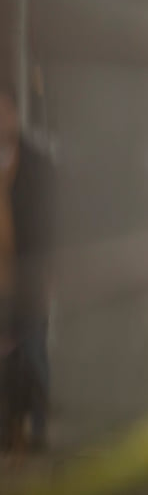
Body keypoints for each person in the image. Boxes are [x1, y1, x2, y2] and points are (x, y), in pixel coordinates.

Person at [0, 88, 54, 452]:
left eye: (6, 112)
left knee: (33, 352)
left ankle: (38, 427)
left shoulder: (37, 164)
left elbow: (48, 222)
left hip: (31, 276)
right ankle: (9, 432)